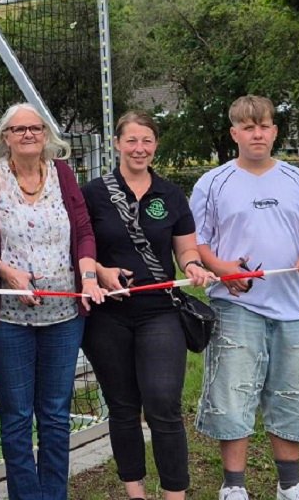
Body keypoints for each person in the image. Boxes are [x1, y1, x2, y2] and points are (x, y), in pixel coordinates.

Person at [192, 95, 299, 500]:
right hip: (236, 307)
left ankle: (291, 484)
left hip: (293, 308)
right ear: (234, 133)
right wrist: (222, 269)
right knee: (231, 394)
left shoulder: (298, 181)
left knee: (294, 392)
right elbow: (195, 242)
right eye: (248, 127)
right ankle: (233, 486)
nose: (258, 133)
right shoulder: (212, 183)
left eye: (264, 126)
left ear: (274, 131)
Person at [80, 112, 216, 500]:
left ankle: (175, 493)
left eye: (147, 141)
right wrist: (102, 272)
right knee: (122, 406)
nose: (139, 148)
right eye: (132, 140)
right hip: (108, 315)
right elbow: (81, 248)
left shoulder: (171, 194)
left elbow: (185, 246)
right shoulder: (93, 193)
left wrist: (191, 264)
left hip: (159, 310)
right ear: (117, 144)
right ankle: (135, 491)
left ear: (155, 145)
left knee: (163, 403)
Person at [0, 102, 104, 500]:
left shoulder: (64, 174)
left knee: (55, 415)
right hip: (9, 320)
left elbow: (83, 231)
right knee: (16, 416)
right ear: (6, 138)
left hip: (65, 317)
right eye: (19, 129)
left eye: (36, 128)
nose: (28, 134)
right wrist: (6, 273)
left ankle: (54, 495)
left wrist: (87, 276)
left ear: (46, 136)